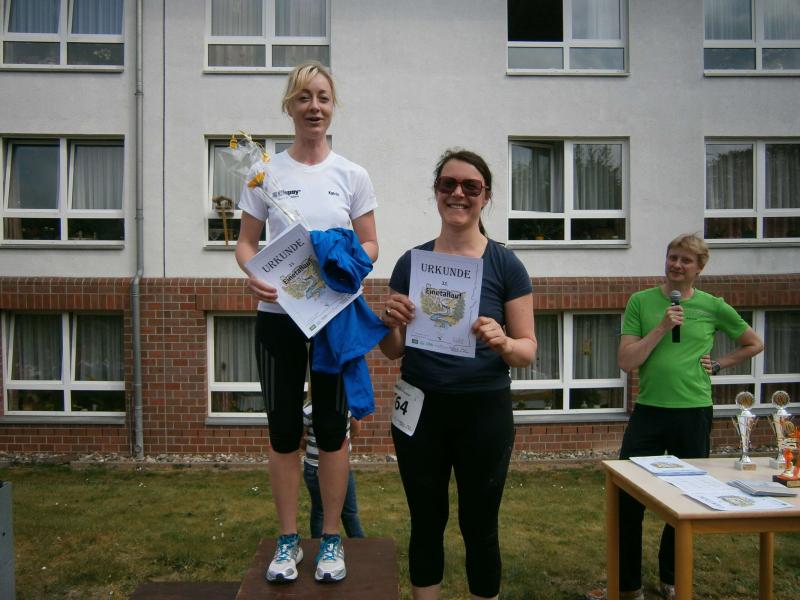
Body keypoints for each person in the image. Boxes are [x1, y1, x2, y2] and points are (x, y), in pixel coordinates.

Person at [235, 60, 378, 584]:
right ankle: (288, 541)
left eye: (322, 97)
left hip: (332, 318)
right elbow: (246, 243)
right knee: (283, 432)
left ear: (332, 106)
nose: (313, 107)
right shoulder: (265, 174)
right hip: (279, 317)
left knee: (333, 431)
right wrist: (253, 272)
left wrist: (346, 260)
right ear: (289, 106)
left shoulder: (352, 175)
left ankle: (332, 539)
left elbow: (371, 243)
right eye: (303, 98)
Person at [379, 149, 537, 600]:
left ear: (486, 196)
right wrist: (389, 322)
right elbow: (392, 351)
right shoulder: (413, 262)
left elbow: (527, 349)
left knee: (480, 524)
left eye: (471, 186)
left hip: (483, 410)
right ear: (436, 192)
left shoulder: (505, 264)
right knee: (426, 521)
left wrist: (503, 342)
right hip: (420, 410)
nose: (458, 194)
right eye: (448, 184)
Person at [605, 233, 764, 600]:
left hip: (693, 412)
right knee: (627, 499)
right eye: (672, 257)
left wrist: (720, 364)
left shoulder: (713, 306)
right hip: (649, 412)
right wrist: (662, 326)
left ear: (699, 268)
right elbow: (627, 361)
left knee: (687, 500)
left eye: (685, 260)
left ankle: (671, 578)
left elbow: (754, 343)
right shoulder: (641, 302)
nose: (676, 265)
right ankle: (627, 586)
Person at [302, 402, 365, 539]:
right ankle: (319, 544)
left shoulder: (348, 406)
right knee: (323, 510)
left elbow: (355, 430)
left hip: (339, 467)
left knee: (344, 511)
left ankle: (358, 543)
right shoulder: (308, 410)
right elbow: (300, 437)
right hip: (316, 468)